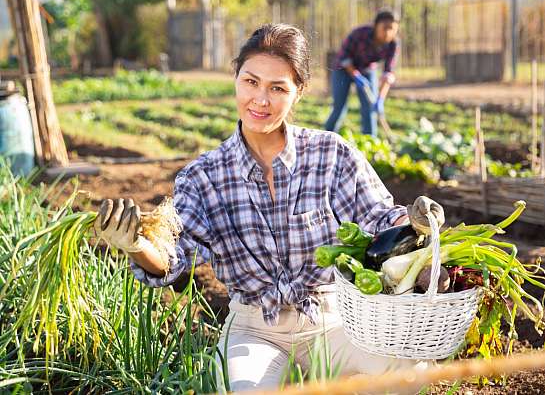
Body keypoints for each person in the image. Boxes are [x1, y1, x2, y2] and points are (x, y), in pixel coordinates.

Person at [94, 23, 445, 392]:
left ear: (298, 93)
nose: (260, 100)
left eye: (277, 88)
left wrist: (418, 222)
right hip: (255, 329)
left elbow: (380, 219)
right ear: (236, 79)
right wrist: (138, 246)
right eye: (251, 82)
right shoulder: (204, 176)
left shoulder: (331, 155)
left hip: (336, 322)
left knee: (410, 372)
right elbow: (175, 258)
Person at [325, 10, 399, 136]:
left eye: (391, 28)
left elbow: (388, 74)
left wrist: (380, 98)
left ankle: (370, 141)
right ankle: (326, 138)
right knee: (339, 108)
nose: (388, 33)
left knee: (370, 108)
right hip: (343, 69)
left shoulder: (393, 44)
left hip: (367, 69)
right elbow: (344, 58)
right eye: (384, 28)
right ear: (376, 26)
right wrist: (356, 75)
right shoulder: (359, 34)